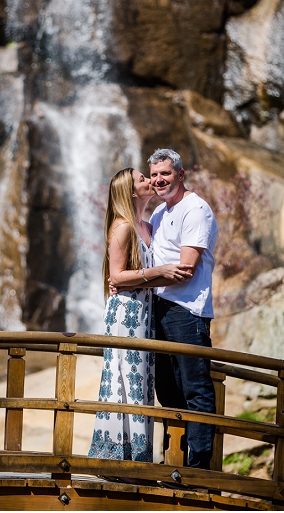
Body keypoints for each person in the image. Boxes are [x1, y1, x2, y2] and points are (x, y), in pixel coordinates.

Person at [88, 168, 192, 464]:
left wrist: (156, 276)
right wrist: (157, 272)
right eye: (143, 179)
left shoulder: (147, 225)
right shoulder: (123, 227)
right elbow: (116, 276)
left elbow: (134, 277)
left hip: (144, 312)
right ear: (132, 192)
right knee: (124, 382)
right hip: (125, 315)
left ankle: (138, 459)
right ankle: (119, 460)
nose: (150, 180)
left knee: (142, 383)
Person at [147, 148, 219, 469]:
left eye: (165, 173)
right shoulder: (159, 213)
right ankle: (174, 460)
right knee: (166, 389)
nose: (159, 180)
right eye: (155, 174)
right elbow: (150, 252)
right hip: (160, 310)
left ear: (180, 174)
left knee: (196, 388)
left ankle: (199, 467)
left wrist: (141, 278)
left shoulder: (196, 209)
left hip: (187, 312)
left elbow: (186, 267)